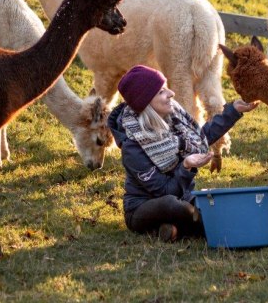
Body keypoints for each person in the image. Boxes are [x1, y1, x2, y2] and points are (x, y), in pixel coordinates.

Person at [108, 65, 259, 242]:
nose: (171, 93)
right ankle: (222, 231)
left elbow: (201, 138)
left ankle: (170, 230)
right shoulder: (132, 146)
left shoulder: (172, 117)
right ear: (146, 103)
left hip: (183, 198)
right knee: (171, 204)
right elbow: (164, 191)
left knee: (210, 201)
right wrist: (186, 167)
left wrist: (233, 111)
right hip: (143, 208)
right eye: (161, 92)